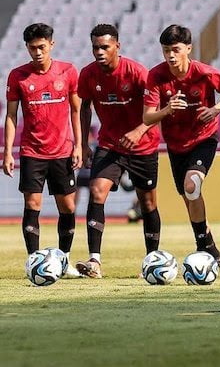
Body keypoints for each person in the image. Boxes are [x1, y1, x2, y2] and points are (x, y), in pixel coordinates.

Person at [75, 24, 161, 278]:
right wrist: (82, 143)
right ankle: (94, 261)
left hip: (143, 145)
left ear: (117, 47)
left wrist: (138, 131)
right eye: (95, 47)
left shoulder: (137, 72)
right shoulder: (88, 74)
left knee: (147, 202)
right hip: (109, 144)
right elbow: (84, 107)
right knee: (96, 191)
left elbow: (156, 110)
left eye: (105, 47)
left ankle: (152, 259)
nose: (99, 52)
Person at [143, 24, 220, 267]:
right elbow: (147, 118)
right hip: (175, 145)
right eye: (165, 51)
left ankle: (203, 248)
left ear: (188, 48)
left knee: (191, 186)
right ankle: (209, 246)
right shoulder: (156, 75)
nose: (170, 56)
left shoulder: (203, 72)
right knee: (189, 197)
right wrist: (167, 109)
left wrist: (216, 109)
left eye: (175, 50)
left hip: (204, 138)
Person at [2, 23, 82, 277]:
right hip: (31, 152)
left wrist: (79, 145)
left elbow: (77, 110)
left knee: (67, 207)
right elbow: (11, 115)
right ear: (26, 47)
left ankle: (64, 259)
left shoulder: (68, 72)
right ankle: (34, 261)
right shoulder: (18, 76)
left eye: (42, 47)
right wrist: (7, 152)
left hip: (62, 151)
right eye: (32, 47)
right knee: (32, 203)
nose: (37, 52)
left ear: (51, 45)